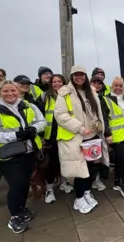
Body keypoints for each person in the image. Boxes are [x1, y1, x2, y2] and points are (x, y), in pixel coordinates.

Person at [0, 80, 46, 233]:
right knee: (16, 184)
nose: (10, 94)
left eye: (13, 90)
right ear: (0, 93)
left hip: (29, 151)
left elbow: (42, 121)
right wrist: (15, 135)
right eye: (6, 91)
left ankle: (21, 208)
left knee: (24, 183)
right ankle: (14, 217)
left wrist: (33, 129)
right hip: (7, 154)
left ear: (18, 91)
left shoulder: (29, 105)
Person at [54, 65, 110, 214]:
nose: (79, 77)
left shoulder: (91, 91)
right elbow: (60, 116)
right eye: (76, 74)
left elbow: (96, 112)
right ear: (72, 76)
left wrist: (98, 126)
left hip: (91, 137)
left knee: (90, 169)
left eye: (82, 75)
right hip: (76, 138)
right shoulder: (64, 93)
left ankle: (86, 192)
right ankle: (78, 199)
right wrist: (80, 127)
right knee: (79, 171)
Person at [41, 74, 74, 204]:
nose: (57, 84)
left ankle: (64, 183)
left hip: (67, 133)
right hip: (51, 136)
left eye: (59, 81)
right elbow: (39, 116)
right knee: (52, 163)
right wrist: (42, 136)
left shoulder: (70, 95)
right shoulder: (45, 97)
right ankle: (49, 188)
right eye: (54, 82)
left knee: (65, 160)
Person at [104, 76, 124, 202]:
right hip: (115, 136)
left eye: (120, 85)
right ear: (112, 86)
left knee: (119, 159)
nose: (118, 88)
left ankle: (116, 181)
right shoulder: (106, 99)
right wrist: (107, 134)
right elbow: (104, 118)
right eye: (116, 85)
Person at [89, 75, 110, 191]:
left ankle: (97, 180)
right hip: (87, 133)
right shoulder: (84, 97)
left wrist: (107, 132)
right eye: (94, 83)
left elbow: (105, 116)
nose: (96, 85)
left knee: (100, 158)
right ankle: (91, 181)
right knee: (90, 159)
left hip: (100, 133)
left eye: (99, 83)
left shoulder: (102, 99)